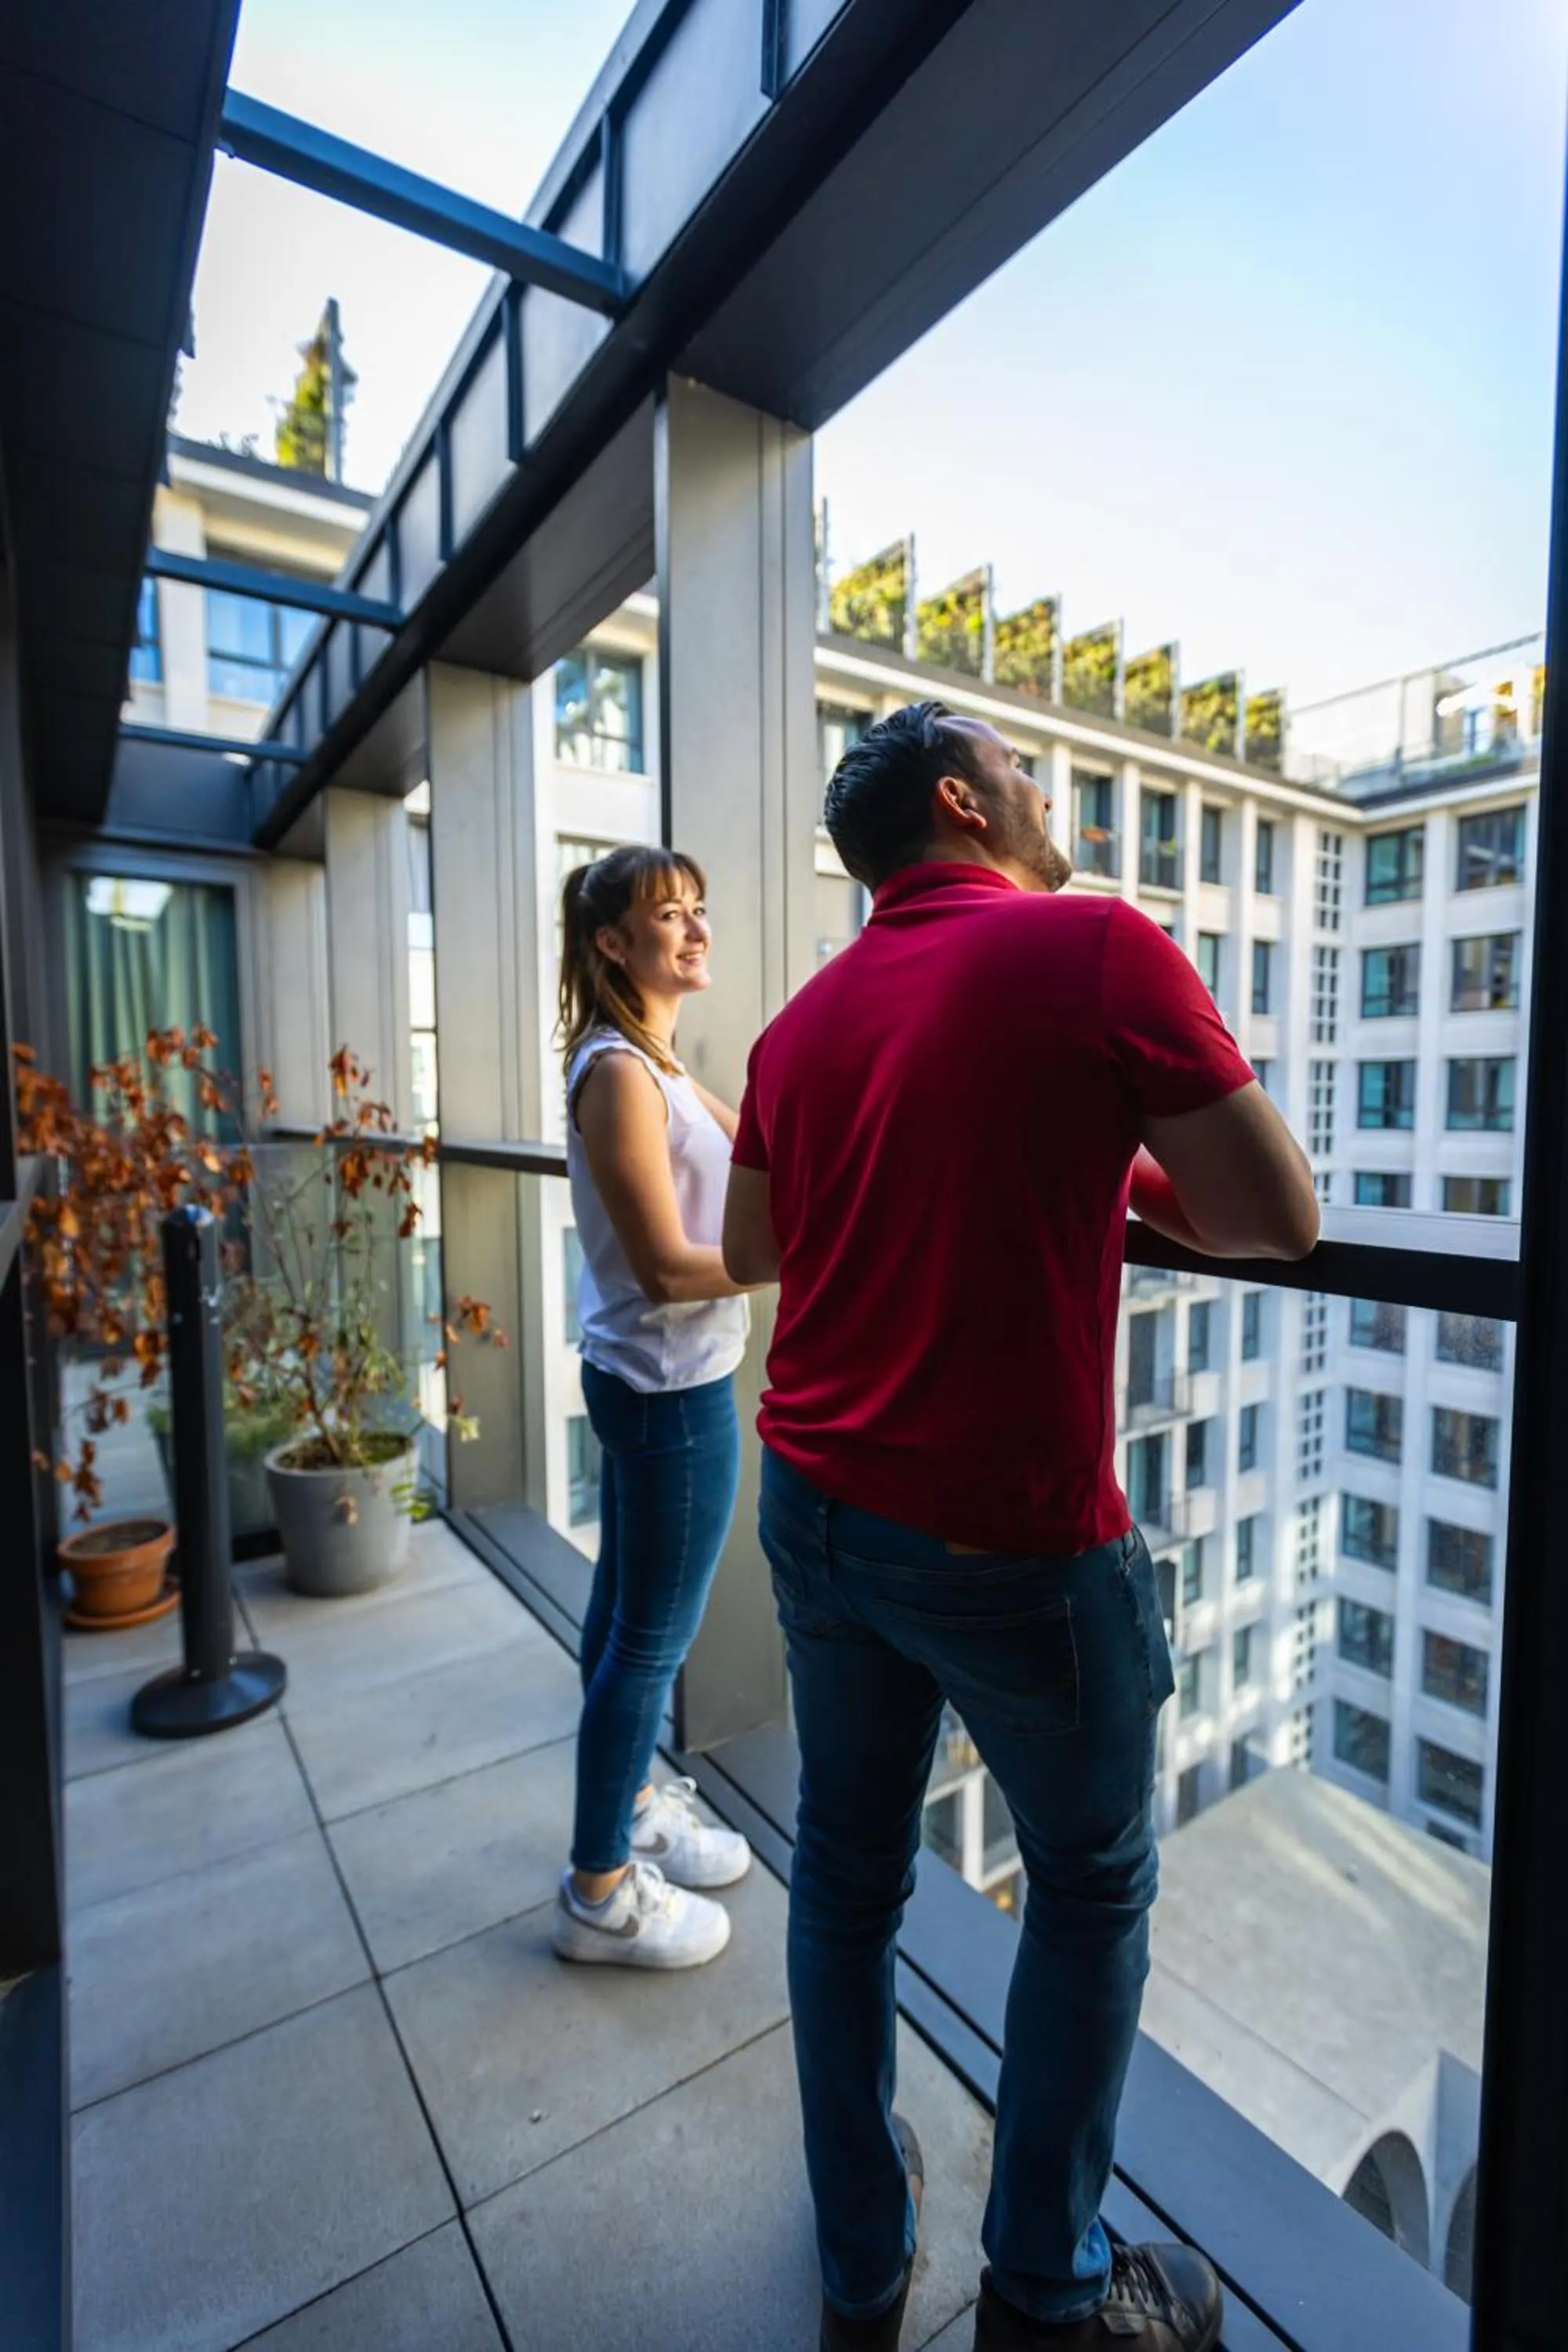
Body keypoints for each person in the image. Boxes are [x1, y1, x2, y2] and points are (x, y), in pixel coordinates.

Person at [723, 702, 1319, 2352]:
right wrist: (1114, 1164)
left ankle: (861, 2259)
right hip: (1008, 1546)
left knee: (844, 1879)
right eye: (1024, 770)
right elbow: (1279, 1217)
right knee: (1090, 1887)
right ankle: (1047, 2293)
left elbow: (755, 1247)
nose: (1049, 795)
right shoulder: (1096, 951)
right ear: (963, 798)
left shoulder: (799, 1026)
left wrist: (1063, 1160)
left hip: (815, 1506)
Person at [550, 843, 759, 1972]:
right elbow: (670, 1269)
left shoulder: (651, 1063)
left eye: (697, 908)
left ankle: (627, 1811)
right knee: (650, 1642)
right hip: (670, 1391)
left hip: (647, 1380)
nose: (695, 928)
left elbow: (762, 1145)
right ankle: (598, 1892)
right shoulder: (622, 1074)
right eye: (667, 915)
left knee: (625, 1612)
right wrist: (806, 1254)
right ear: (612, 943)